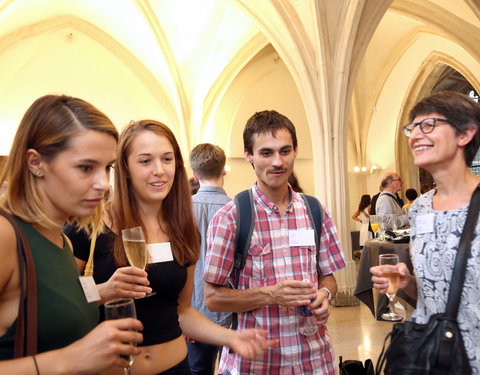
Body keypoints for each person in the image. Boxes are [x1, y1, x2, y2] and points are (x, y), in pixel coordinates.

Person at [68, 120, 274, 375]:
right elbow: (59, 304)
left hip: (176, 367)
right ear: (125, 168)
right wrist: (105, 291)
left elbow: (183, 312)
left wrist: (231, 338)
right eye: (145, 161)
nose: (159, 170)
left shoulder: (183, 230)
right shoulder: (90, 228)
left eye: (167, 159)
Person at [0, 95, 142, 374]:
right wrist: (69, 360)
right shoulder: (7, 236)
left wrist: (104, 291)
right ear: (35, 163)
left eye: (107, 168)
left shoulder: (61, 239)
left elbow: (49, 301)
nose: (104, 184)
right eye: (86, 167)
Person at [203, 110, 346, 374]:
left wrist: (324, 296)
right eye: (266, 153)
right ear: (249, 156)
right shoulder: (231, 217)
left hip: (313, 359)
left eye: (285, 151)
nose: (277, 162)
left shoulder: (316, 210)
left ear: (295, 151)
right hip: (256, 362)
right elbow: (212, 298)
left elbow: (328, 278)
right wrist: (270, 294)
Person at [371, 91, 480, 372]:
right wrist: (407, 283)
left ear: (465, 133)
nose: (415, 135)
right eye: (412, 127)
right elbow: (432, 294)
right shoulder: (419, 209)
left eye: (428, 125)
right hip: (430, 355)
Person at [187, 143, 231, 375]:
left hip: (193, 310)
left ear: (194, 174)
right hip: (230, 310)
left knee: (198, 370)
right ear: (223, 171)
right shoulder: (238, 209)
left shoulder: (182, 211)